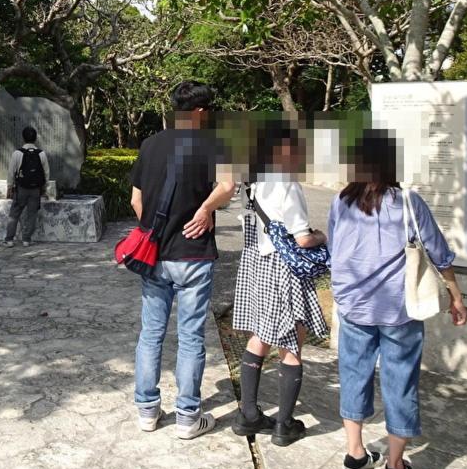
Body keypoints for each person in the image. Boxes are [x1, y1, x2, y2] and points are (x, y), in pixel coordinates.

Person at [327, 130, 467, 469]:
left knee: (354, 376)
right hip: (399, 309)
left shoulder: (340, 202)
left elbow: (334, 251)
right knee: (399, 381)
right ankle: (394, 465)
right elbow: (438, 252)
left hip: (355, 307)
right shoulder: (407, 202)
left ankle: (355, 453)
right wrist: (455, 295)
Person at [129, 80, 235, 440]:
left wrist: (154, 232)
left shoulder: (151, 144)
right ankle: (188, 416)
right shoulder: (214, 144)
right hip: (193, 255)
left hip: (156, 256)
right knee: (190, 337)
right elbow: (228, 186)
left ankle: (147, 410)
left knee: (151, 334)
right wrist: (205, 209)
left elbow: (136, 201)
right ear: (201, 112)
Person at [231, 119, 329, 446]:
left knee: (260, 334)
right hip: (284, 271)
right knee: (291, 341)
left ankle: (248, 414)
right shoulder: (287, 183)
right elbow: (301, 239)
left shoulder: (254, 182)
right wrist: (321, 236)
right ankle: (284, 425)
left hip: (258, 265)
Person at [5, 126, 50, 247]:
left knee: (14, 213)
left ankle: (9, 240)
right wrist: (44, 188)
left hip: (21, 189)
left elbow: (11, 172)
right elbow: (46, 173)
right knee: (32, 214)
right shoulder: (41, 154)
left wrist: (10, 187)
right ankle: (26, 239)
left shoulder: (17, 153)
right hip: (35, 189)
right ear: (35, 138)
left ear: (23, 138)